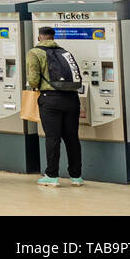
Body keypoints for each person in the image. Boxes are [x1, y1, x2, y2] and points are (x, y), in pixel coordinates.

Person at [27, 26, 83, 187]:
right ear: (53, 37)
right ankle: (76, 176)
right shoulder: (65, 52)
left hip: (50, 99)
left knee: (53, 138)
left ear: (39, 38)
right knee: (72, 138)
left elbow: (33, 79)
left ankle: (52, 176)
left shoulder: (35, 52)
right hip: (72, 99)